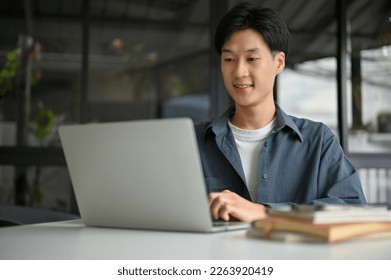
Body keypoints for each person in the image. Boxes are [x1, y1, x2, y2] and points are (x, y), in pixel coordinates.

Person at [195, 2, 366, 223]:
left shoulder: (318, 141)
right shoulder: (193, 141)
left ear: (279, 63)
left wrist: (266, 213)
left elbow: (352, 208)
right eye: (229, 59)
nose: (239, 71)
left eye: (251, 59)